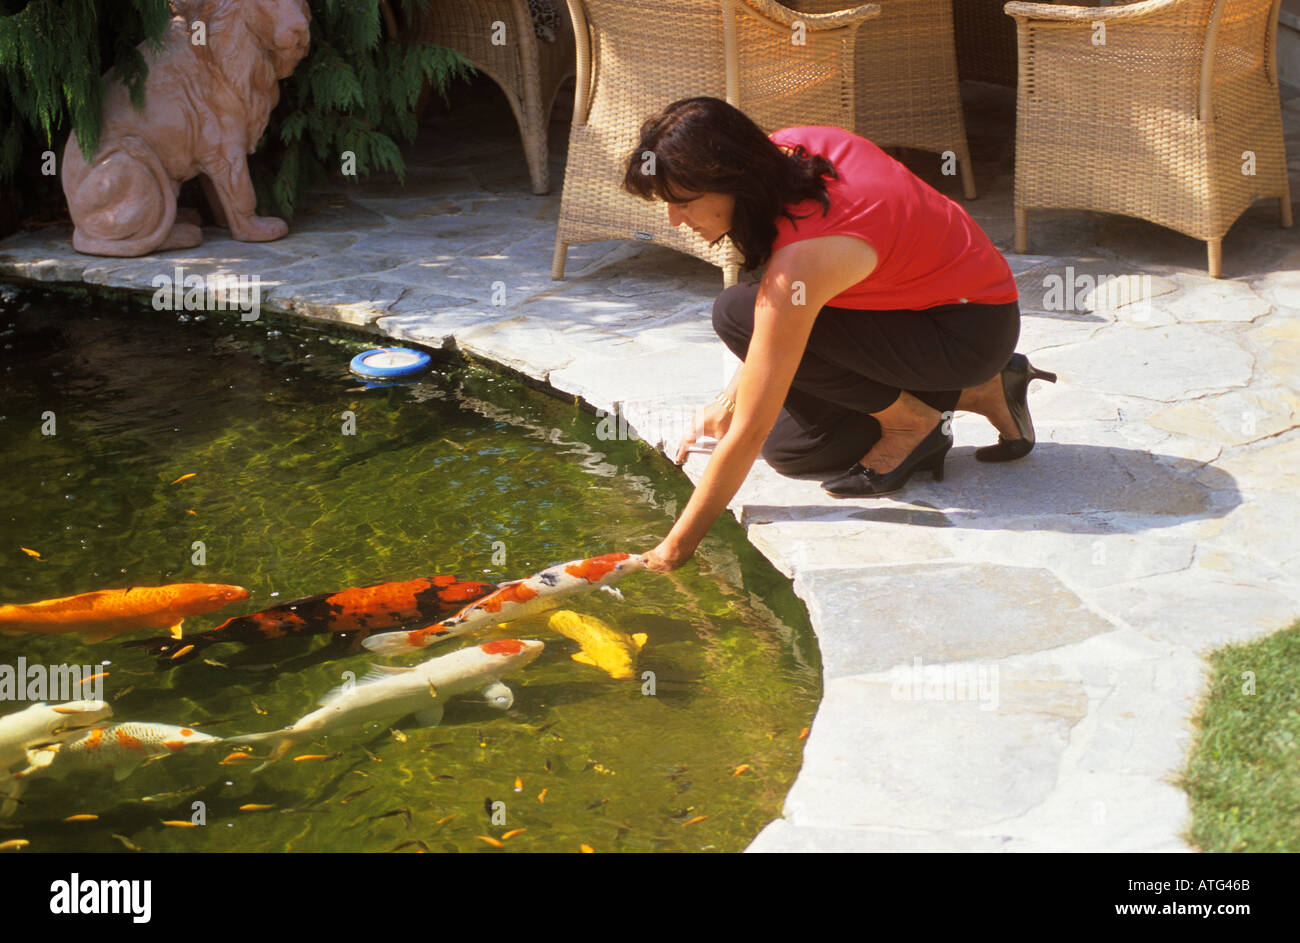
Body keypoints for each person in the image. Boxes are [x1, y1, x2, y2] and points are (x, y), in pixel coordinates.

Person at [630, 98, 1056, 574]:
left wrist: (673, 551)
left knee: (739, 314)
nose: (673, 219)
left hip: (965, 330)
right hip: (928, 311)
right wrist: (727, 403)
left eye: (682, 202)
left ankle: (920, 418)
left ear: (732, 183)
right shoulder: (792, 150)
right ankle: (981, 390)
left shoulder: (805, 260)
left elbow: (752, 426)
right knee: (798, 450)